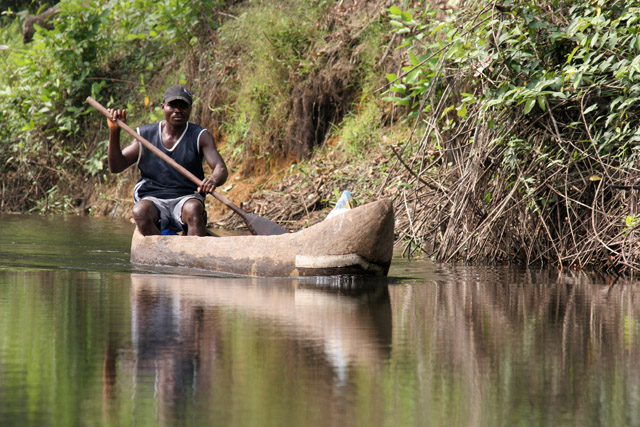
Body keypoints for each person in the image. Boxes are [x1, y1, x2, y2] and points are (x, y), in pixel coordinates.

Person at [107, 84, 228, 236]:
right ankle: (159, 250)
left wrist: (213, 180)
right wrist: (114, 131)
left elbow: (220, 168)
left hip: (186, 198)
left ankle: (194, 255)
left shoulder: (200, 136)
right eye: (172, 105)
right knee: (139, 211)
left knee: (193, 209)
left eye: (183, 106)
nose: (178, 110)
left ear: (190, 109)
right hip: (153, 198)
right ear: (163, 107)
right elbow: (116, 167)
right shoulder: (145, 136)